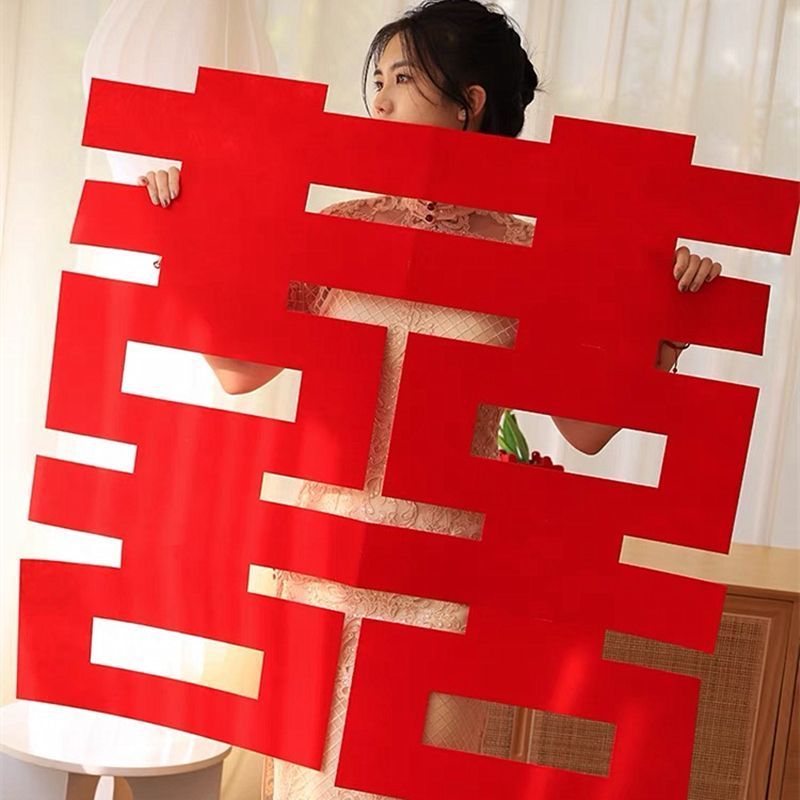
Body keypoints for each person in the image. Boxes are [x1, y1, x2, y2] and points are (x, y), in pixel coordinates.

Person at [138, 2, 723, 796]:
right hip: (323, 572)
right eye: (375, 81)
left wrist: (668, 329)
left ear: (468, 103)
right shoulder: (340, 230)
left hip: (443, 589)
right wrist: (181, 245)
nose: (378, 100)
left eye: (402, 79)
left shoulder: (528, 258)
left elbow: (584, 430)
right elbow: (239, 370)